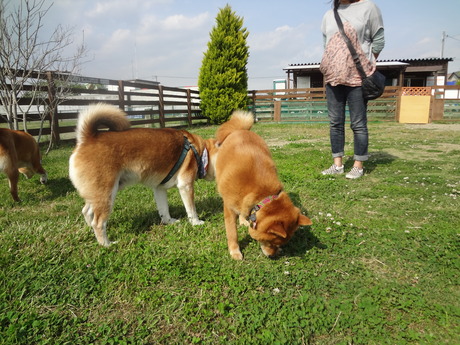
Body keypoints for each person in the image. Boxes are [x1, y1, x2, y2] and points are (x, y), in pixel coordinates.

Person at [320, 0, 385, 179]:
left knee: (358, 123)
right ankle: (337, 164)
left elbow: (378, 40)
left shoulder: (368, 8)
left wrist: (366, 63)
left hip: (357, 77)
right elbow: (326, 45)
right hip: (333, 77)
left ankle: (358, 165)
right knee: (335, 122)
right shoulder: (328, 15)